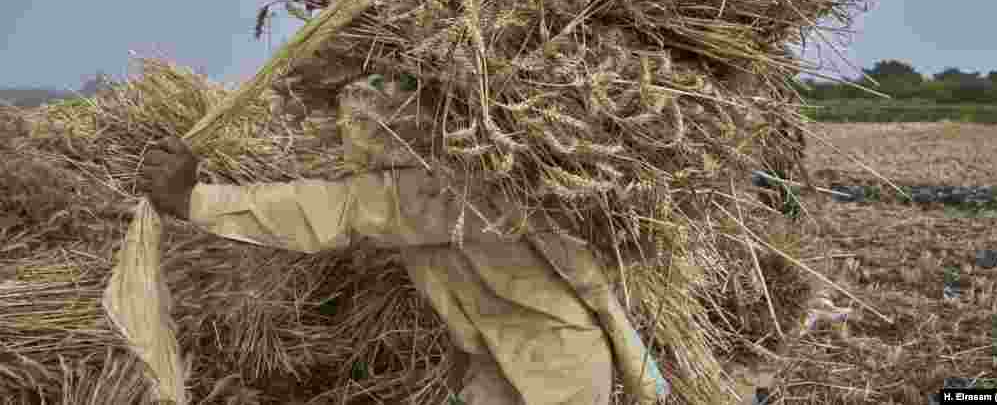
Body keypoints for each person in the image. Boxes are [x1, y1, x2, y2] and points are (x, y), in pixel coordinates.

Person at [142, 70, 669, 405]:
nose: (356, 144)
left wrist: (194, 200)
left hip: (556, 378)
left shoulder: (446, 189)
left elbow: (326, 211)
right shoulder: (450, 177)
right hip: (507, 368)